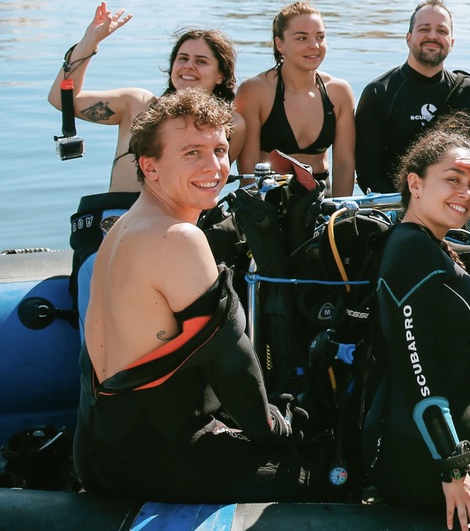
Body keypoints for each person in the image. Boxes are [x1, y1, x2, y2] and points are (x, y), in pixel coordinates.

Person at [74, 88, 318, 503]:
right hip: (155, 461)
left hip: (98, 450)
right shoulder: (178, 237)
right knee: (316, 471)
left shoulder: (124, 227)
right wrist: (280, 428)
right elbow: (233, 365)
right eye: (192, 153)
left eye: (220, 150)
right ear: (150, 166)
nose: (214, 166)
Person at [363, 122, 470, 531]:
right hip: (431, 455)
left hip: (450, 438)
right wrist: (453, 470)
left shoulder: (434, 247)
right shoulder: (412, 253)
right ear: (415, 185)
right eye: (452, 180)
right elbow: (415, 369)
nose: (466, 194)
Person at [49, 3, 246, 329]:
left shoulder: (227, 127)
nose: (188, 66)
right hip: (112, 225)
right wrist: (89, 42)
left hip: (175, 232)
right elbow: (61, 99)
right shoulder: (138, 105)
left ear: (221, 74)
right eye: (182, 58)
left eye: (201, 61)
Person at [355, 0, 470, 194]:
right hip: (395, 205)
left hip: (454, 203)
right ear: (408, 38)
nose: (432, 36)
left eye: (441, 31)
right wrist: (408, 206)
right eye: (424, 29)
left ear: (451, 42)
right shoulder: (379, 92)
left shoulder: (467, 93)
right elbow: (367, 172)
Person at [235, 1, 355, 195]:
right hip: (268, 196)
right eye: (302, 38)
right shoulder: (255, 90)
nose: (314, 45)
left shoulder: (339, 92)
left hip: (321, 195)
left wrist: (338, 209)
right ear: (280, 44)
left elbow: (344, 163)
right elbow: (248, 169)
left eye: (320, 37)